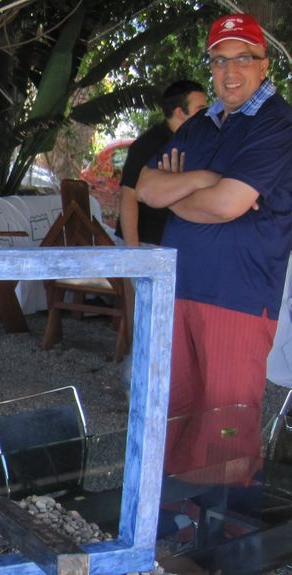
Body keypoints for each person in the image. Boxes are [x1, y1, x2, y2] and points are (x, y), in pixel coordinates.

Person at [137, 13, 292, 483]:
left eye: (243, 58)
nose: (230, 71)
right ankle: (173, 517)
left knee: (225, 428)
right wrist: (206, 179)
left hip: (236, 296)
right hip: (177, 287)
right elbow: (146, 187)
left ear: (264, 65)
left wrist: (179, 191)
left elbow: (227, 204)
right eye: (220, 60)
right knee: (173, 414)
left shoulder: (278, 124)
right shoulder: (201, 124)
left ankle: (221, 525)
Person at [116, 80, 208, 246]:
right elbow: (128, 196)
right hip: (147, 243)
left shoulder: (196, 141)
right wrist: (133, 251)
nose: (206, 115)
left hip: (179, 241)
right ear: (180, 112)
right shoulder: (148, 144)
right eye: (200, 110)